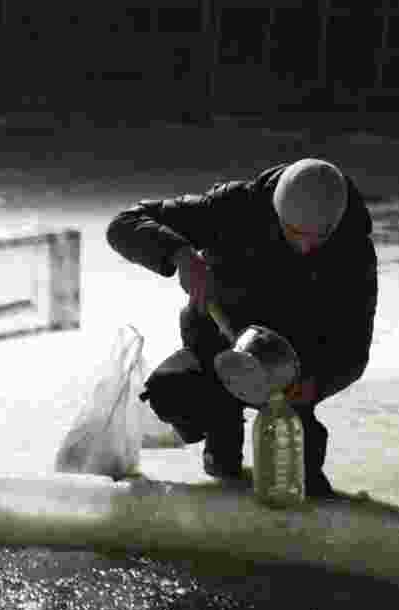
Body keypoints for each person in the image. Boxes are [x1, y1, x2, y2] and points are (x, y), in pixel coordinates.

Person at [106, 158, 378, 497]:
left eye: (318, 237)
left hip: (289, 370)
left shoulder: (353, 251)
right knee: (172, 392)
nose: (307, 247)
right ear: (277, 213)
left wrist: (317, 383)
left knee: (302, 470)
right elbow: (124, 224)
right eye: (296, 233)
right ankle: (222, 436)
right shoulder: (236, 207)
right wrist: (180, 254)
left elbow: (353, 347)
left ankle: (301, 470)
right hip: (217, 346)